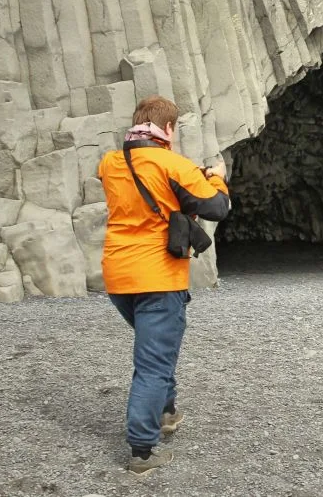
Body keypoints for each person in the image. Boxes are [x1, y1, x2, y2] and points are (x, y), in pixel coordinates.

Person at [98, 96, 230, 474]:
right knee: (153, 362)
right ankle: (142, 449)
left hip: (118, 276)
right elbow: (216, 207)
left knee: (158, 347)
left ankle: (167, 411)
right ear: (169, 129)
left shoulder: (110, 162)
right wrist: (216, 175)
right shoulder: (173, 163)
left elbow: (144, 192)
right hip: (157, 276)